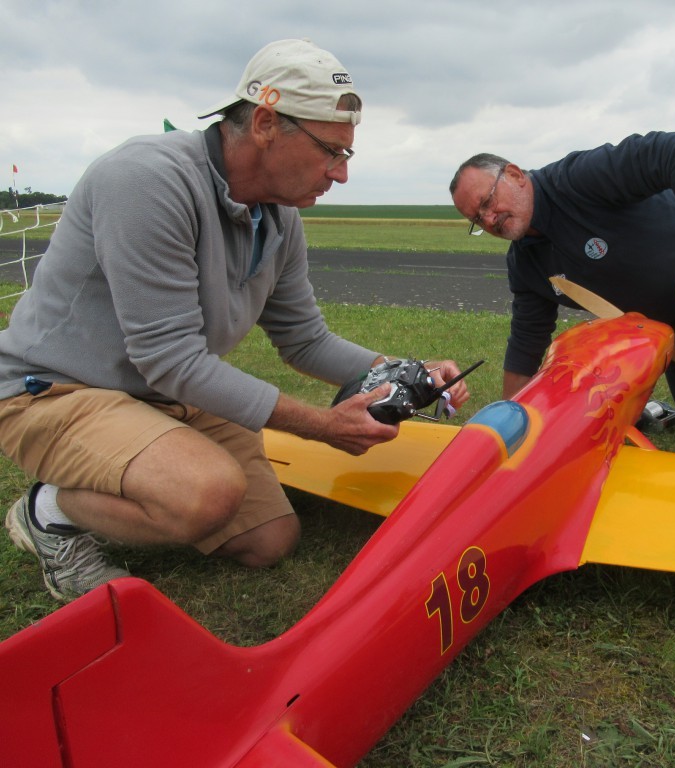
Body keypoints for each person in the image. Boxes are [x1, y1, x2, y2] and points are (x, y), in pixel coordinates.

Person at [0, 39, 470, 603]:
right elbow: (171, 358)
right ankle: (46, 511)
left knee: (267, 539)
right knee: (206, 495)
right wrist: (321, 425)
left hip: (157, 395)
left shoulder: (279, 216)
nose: (340, 174)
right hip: (56, 390)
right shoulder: (147, 179)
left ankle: (143, 470)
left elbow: (305, 339)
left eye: (346, 155)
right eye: (331, 151)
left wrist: (408, 369)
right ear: (267, 123)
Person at [449, 132, 675, 472]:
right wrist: (514, 428)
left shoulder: (579, 178)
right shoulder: (526, 263)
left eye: (487, 202)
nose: (490, 219)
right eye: (477, 219)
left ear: (514, 174)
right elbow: (526, 346)